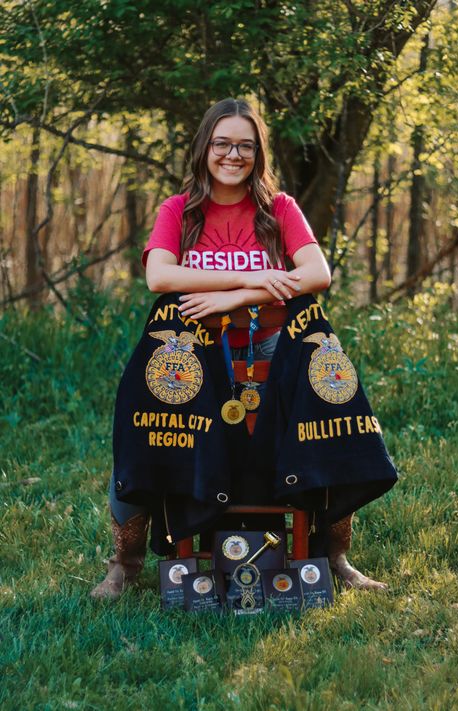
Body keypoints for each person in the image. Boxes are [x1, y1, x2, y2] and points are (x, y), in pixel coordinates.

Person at [91, 97, 385, 599]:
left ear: (258, 153)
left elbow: (318, 274)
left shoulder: (280, 209)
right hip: (198, 356)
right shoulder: (179, 210)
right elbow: (159, 275)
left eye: (245, 146)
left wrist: (245, 294)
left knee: (332, 395)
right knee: (141, 409)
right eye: (223, 143)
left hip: (273, 347)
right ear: (206, 147)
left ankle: (334, 556)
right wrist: (256, 276)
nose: (233, 154)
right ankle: (126, 562)